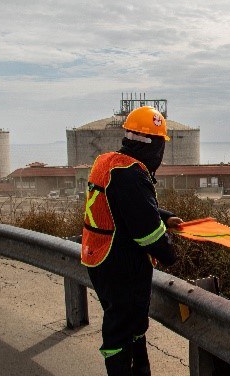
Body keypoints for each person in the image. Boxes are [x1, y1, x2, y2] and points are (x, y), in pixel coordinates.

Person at [81, 106, 181, 376]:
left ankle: (140, 370)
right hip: (120, 262)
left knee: (130, 321)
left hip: (98, 254)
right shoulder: (132, 174)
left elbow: (124, 206)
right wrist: (171, 255)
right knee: (121, 327)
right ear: (155, 145)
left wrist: (166, 216)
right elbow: (147, 232)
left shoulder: (108, 162)